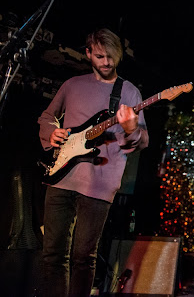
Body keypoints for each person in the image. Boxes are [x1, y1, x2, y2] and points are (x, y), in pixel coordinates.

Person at [37, 28, 149, 297]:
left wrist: (132, 128)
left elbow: (142, 141)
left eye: (112, 57)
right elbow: (47, 117)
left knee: (83, 257)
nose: (107, 62)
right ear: (88, 53)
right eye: (100, 56)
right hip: (61, 176)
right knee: (52, 253)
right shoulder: (72, 85)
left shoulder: (129, 92)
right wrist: (52, 132)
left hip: (100, 183)